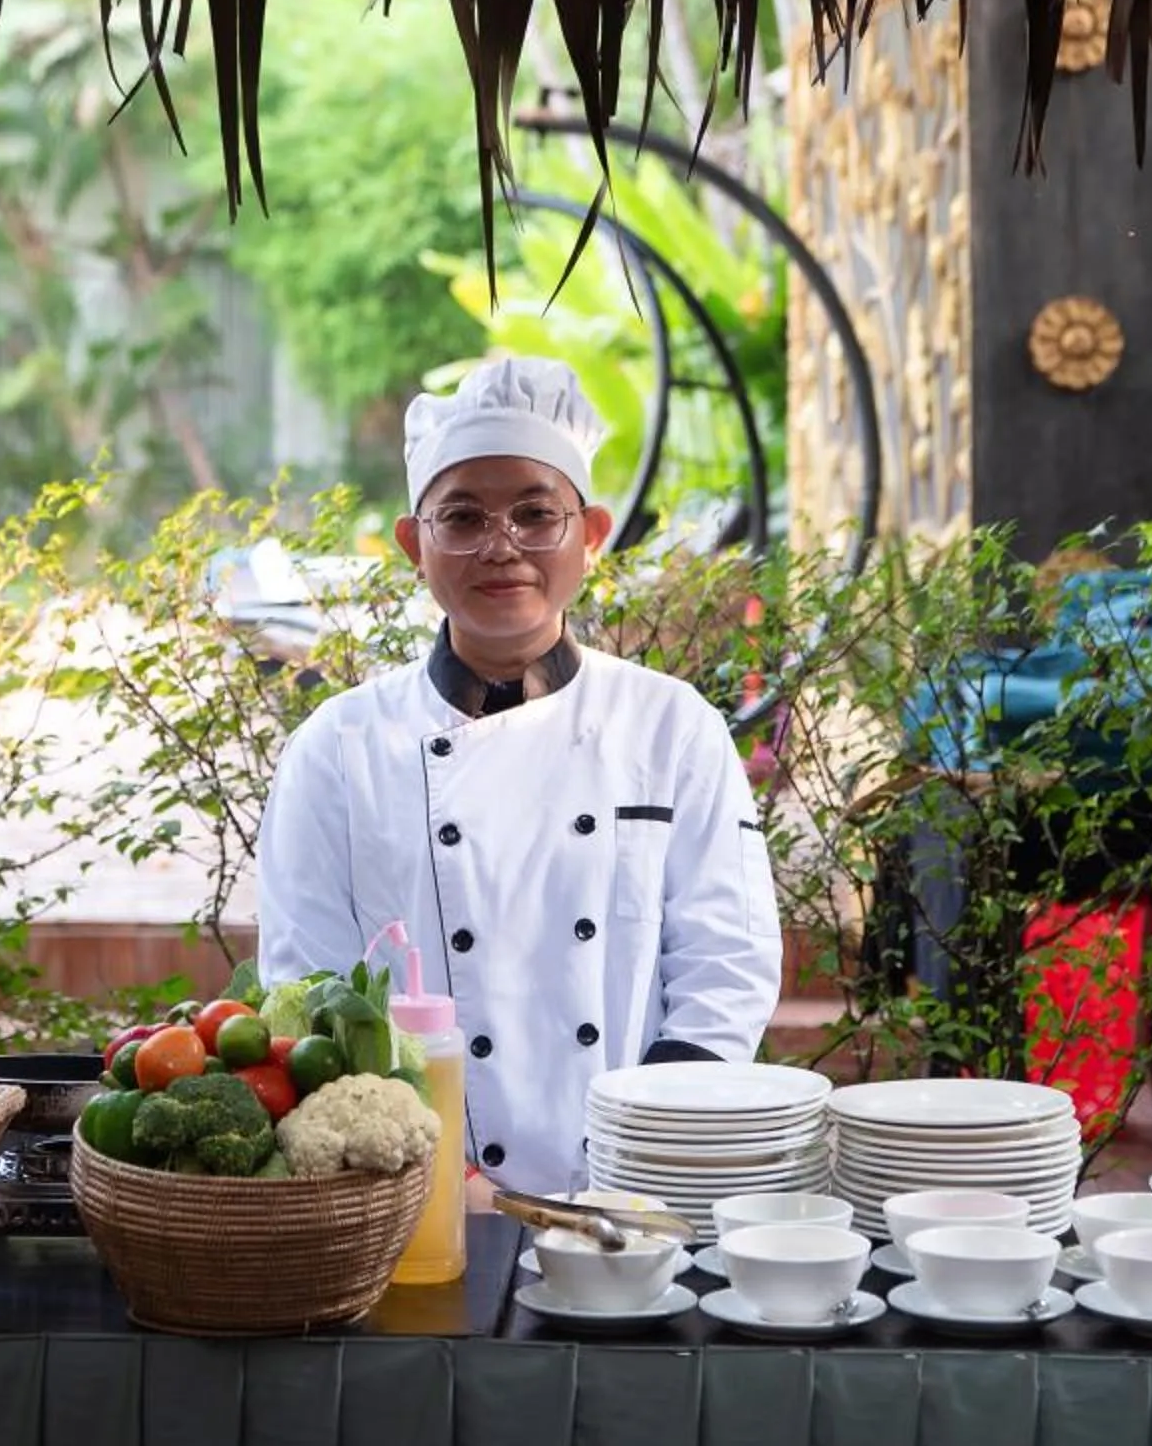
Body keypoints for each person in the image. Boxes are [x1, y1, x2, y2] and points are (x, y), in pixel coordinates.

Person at [253, 357, 782, 1199]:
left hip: (634, 1196)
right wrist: (440, 1175)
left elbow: (727, 967)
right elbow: (309, 995)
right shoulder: (337, 750)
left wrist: (642, 1159)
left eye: (537, 514)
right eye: (462, 517)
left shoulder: (672, 726)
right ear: (413, 545)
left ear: (592, 534)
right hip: (423, 1196)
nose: (502, 545)